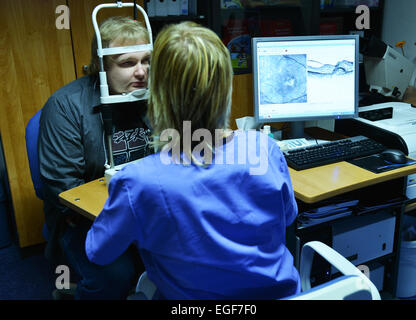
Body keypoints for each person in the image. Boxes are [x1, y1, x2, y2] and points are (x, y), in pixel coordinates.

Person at [85, 22, 300, 299]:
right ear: (225, 86)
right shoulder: (264, 149)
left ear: (160, 92)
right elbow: (287, 218)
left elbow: (99, 252)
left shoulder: (138, 182)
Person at [38, 16, 152, 300]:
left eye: (147, 61)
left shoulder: (155, 97)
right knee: (115, 276)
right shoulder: (66, 106)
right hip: (84, 220)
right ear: (101, 65)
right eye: (127, 63)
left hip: (148, 207)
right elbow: (62, 188)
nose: (141, 72)